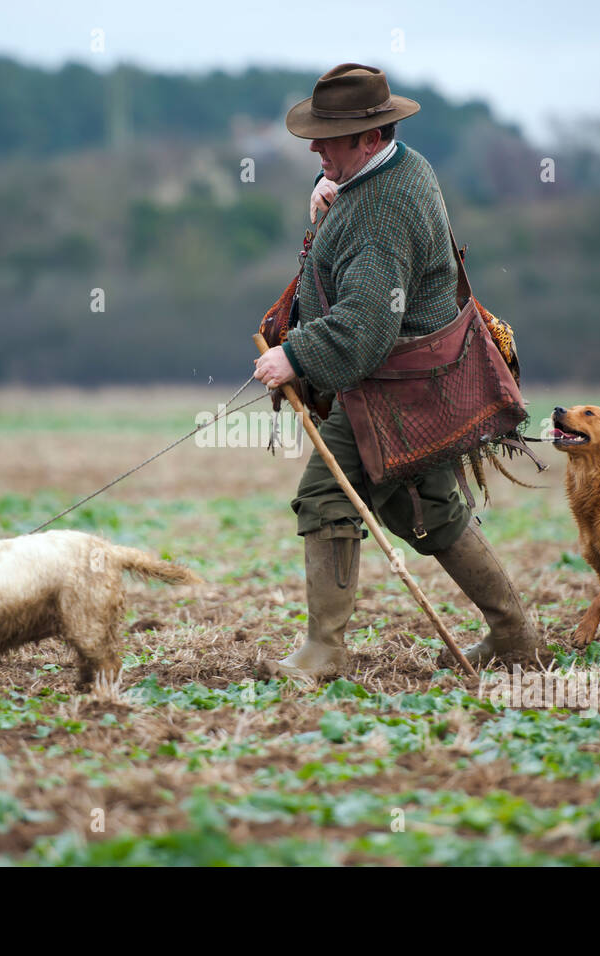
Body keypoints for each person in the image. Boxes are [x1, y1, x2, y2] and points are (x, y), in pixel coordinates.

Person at [252, 63, 540, 679]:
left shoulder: (383, 212)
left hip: (395, 388)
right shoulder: (397, 168)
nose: (313, 146)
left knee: (326, 497)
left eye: (327, 136)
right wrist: (332, 201)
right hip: (417, 380)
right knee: (429, 510)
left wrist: (294, 356)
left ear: (369, 137)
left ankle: (323, 652)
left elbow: (365, 326)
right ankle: (516, 634)